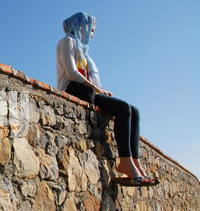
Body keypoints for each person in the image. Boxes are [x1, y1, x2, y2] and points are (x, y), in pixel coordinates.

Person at [56, 12, 156, 186]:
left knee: (135, 111)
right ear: (82, 26)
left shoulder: (84, 52)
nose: (92, 34)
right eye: (91, 30)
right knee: (123, 108)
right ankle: (125, 162)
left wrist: (99, 90)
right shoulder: (68, 42)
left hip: (90, 91)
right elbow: (72, 73)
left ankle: (135, 163)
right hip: (76, 91)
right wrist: (97, 89)